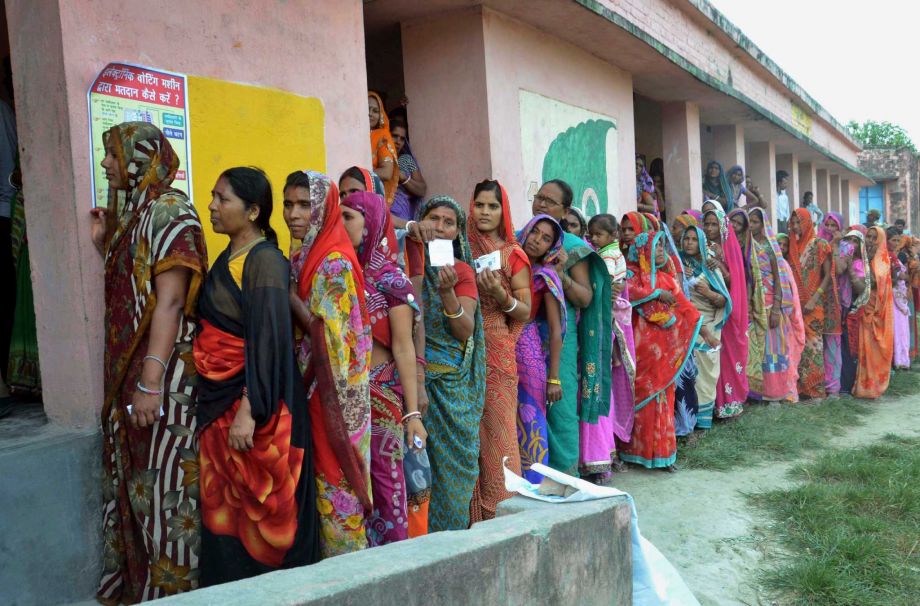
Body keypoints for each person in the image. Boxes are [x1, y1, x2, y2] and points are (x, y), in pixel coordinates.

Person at [89, 123, 207, 602]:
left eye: (113, 156)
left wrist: (151, 381)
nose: (106, 165)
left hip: (166, 385)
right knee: (144, 496)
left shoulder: (171, 212)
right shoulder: (137, 215)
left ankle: (178, 595)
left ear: (139, 158)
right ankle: (146, 590)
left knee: (169, 494)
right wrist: (106, 244)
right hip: (140, 384)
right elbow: (134, 287)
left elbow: (171, 303)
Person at [195, 167, 318, 584]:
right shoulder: (229, 256)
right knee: (226, 520)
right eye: (213, 196)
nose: (212, 205)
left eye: (222, 199)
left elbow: (269, 340)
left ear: (251, 211)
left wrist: (251, 406)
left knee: (266, 521)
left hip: (253, 408)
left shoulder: (263, 259)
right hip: (220, 403)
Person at [286, 170, 372, 558]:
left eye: (305, 205)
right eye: (288, 204)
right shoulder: (304, 253)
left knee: (337, 484)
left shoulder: (333, 261)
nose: (293, 213)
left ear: (324, 207)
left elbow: (335, 339)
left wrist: (291, 301)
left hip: (333, 395)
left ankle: (348, 577)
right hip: (312, 390)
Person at [339, 190, 426, 545]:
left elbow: (404, 347)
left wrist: (412, 413)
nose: (340, 224)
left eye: (348, 216)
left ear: (371, 224)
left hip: (383, 395)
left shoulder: (392, 281)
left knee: (387, 486)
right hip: (345, 396)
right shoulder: (336, 272)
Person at [407, 196, 485, 531]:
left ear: (457, 233)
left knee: (456, 475)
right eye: (433, 218)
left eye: (448, 222)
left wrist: (449, 294)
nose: (439, 227)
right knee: (416, 474)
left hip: (452, 391)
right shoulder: (404, 262)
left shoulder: (462, 271)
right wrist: (410, 230)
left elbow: (464, 329)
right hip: (411, 383)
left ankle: (451, 543)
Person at [532, 179, 611, 476]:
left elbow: (586, 297)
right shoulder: (522, 239)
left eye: (549, 201)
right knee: (527, 409)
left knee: (560, 409)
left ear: (564, 210)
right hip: (524, 334)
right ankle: (533, 479)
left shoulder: (574, 247)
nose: (541, 203)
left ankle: (565, 480)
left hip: (561, 338)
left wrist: (560, 275)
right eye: (538, 197)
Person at [467, 179, 532, 522]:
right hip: (459, 346)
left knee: (498, 433)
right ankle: (469, 517)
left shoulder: (512, 254)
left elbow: (526, 310)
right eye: (480, 205)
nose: (485, 212)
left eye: (493, 206)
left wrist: (502, 297)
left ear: (503, 211)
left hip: (495, 348)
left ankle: (500, 514)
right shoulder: (462, 247)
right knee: (467, 433)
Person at [621, 231, 702, 471]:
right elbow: (628, 294)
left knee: (664, 397)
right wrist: (655, 294)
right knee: (640, 396)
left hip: (664, 350)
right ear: (643, 251)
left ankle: (663, 454)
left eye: (662, 247)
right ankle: (634, 452)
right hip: (640, 348)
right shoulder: (632, 275)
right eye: (655, 247)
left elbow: (685, 307)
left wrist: (701, 328)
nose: (659, 251)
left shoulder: (668, 279)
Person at [515, 215, 566, 483]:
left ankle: (533, 487)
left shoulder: (545, 276)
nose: (537, 240)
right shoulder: (505, 263)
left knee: (531, 420)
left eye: (546, 239)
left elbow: (556, 331)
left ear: (551, 248)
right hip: (499, 345)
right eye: (535, 232)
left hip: (529, 352)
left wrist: (553, 377)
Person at [586, 214, 636, 474]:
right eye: (591, 234)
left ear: (612, 235)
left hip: (607, 321)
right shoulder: (612, 253)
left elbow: (605, 289)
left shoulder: (607, 256)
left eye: (598, 234)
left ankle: (605, 450)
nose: (594, 238)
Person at [748, 208, 805, 402]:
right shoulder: (747, 246)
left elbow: (779, 279)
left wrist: (776, 308)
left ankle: (776, 393)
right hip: (755, 304)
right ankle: (759, 392)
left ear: (763, 225)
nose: (752, 225)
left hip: (771, 304)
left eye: (755, 222)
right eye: (750, 221)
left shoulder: (769, 247)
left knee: (774, 349)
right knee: (759, 349)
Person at [679, 224, 730, 427]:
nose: (689, 243)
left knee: (705, 374)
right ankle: (685, 420)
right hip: (685, 324)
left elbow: (723, 301)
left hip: (707, 324)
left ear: (700, 242)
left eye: (693, 239)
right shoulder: (678, 263)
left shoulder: (710, 267)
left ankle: (703, 421)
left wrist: (707, 292)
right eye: (686, 239)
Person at [702, 203, 748, 418]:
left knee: (728, 357)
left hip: (728, 310)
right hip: (708, 307)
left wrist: (717, 264)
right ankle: (711, 404)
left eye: (714, 224)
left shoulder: (728, 248)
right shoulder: (701, 245)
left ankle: (729, 402)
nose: (709, 228)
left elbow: (733, 279)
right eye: (707, 223)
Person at [788, 208, 839, 400]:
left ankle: (816, 390)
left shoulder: (820, 244)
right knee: (797, 345)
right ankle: (799, 388)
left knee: (814, 345)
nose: (795, 227)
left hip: (813, 305)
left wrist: (814, 298)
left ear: (808, 222)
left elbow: (828, 275)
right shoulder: (791, 246)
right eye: (792, 223)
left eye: (798, 222)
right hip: (795, 305)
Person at [854, 226, 894, 398]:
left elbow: (874, 284)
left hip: (878, 312)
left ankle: (874, 387)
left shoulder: (883, 259)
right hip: (866, 309)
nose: (869, 240)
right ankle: (863, 387)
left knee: (877, 350)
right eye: (867, 237)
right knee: (865, 349)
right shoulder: (865, 257)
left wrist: (865, 263)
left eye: (873, 238)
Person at [819, 213, 848, 394]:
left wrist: (835, 245)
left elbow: (840, 269)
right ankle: (816, 384)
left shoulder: (845, 247)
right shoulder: (817, 243)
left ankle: (833, 387)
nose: (830, 229)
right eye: (827, 225)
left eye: (834, 226)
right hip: (816, 297)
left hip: (834, 301)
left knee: (832, 342)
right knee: (815, 341)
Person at [839, 229, 871, 394]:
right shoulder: (840, 257)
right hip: (837, 305)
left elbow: (860, 289)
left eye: (855, 241)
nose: (851, 244)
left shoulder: (861, 263)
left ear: (860, 245)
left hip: (852, 307)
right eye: (848, 240)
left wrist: (850, 269)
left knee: (848, 346)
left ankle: (846, 386)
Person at [390, 118, 427, 226]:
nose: (398, 142)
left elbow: (422, 189)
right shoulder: (379, 162)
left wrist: (403, 178)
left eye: (402, 139)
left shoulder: (405, 160)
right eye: (394, 136)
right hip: (385, 213)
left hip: (404, 215)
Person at [368, 91, 399, 204]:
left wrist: (359, 174)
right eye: (367, 109)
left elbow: (386, 172)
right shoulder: (350, 135)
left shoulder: (382, 136)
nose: (370, 113)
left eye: (375, 111)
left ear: (380, 115)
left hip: (372, 196)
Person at [887, 228, 911, 370]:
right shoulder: (885, 256)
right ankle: (895, 361)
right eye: (893, 240)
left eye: (898, 240)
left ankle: (903, 360)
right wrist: (896, 277)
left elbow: (906, 276)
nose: (896, 243)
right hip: (891, 297)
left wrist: (903, 277)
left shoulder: (900, 256)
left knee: (902, 329)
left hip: (901, 298)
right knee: (894, 328)